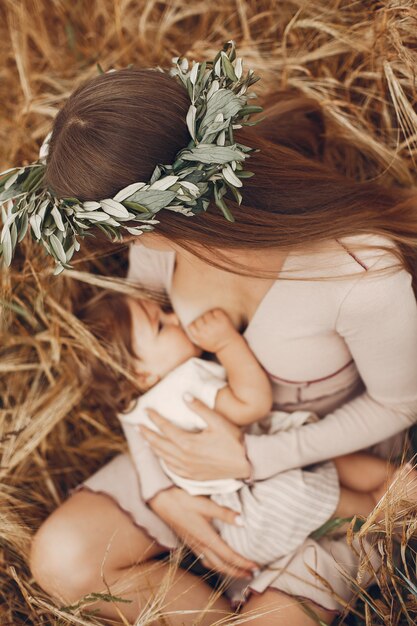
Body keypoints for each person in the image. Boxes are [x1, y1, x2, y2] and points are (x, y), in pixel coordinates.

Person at [26, 60, 417, 626]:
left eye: (116, 225)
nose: (116, 238)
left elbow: (399, 404)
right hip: (193, 443)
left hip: (325, 459)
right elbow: (145, 376)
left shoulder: (358, 270)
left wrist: (257, 458)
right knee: (64, 560)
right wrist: (163, 491)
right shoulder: (161, 247)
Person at [79, 290, 414, 567]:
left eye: (165, 312)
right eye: (161, 326)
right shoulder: (184, 383)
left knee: (306, 460)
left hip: (231, 512)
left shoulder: (134, 407)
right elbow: (252, 403)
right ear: (142, 376)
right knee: (299, 484)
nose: (176, 317)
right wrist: (226, 344)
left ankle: (389, 485)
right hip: (249, 510)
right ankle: (374, 505)